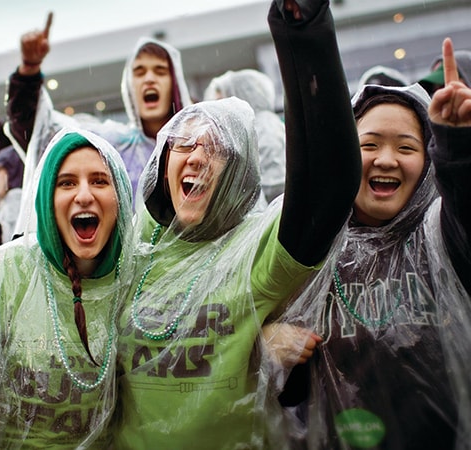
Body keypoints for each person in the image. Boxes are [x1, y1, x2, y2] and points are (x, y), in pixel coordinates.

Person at [112, 0, 362, 447]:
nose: (198, 155)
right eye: (184, 141)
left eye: (219, 148)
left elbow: (329, 181)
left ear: (240, 175)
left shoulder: (254, 250)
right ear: (163, 160)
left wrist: (301, 32)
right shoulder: (130, 247)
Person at [263, 38, 471, 450]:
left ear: (428, 161)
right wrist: (269, 345)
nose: (385, 159)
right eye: (369, 145)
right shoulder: (316, 252)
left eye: (406, 147)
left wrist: (460, 147)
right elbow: (284, 389)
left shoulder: (443, 236)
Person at [0, 129, 134, 449]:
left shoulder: (137, 276)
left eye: (100, 181)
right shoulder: (5, 274)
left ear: (121, 197)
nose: (84, 195)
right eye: (67, 183)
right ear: (47, 198)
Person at [6, 12, 192, 235]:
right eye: (139, 72)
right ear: (129, 86)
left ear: (175, 83)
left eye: (160, 71)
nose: (149, 79)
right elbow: (40, 132)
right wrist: (28, 71)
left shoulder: (198, 147)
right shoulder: (112, 146)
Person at [203, 68, 286, 202]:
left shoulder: (264, 128)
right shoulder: (246, 130)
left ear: (243, 97)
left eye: (222, 101)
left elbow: (274, 184)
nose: (218, 112)